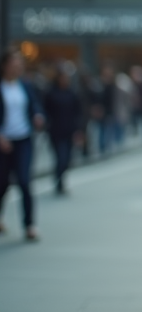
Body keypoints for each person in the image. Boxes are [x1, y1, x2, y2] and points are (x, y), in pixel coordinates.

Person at [0, 48, 45, 241]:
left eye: (20, 63)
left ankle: (29, 224)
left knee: (25, 182)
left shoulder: (25, 85)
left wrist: (37, 115)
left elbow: (34, 104)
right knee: (2, 184)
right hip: (3, 140)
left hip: (23, 139)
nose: (17, 66)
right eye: (14, 63)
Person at [42, 62, 86, 195]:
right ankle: (59, 181)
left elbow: (78, 112)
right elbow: (45, 111)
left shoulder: (72, 93)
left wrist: (79, 131)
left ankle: (61, 177)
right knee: (60, 157)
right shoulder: (51, 93)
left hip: (70, 130)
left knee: (67, 158)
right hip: (55, 131)